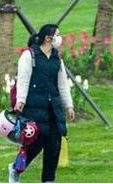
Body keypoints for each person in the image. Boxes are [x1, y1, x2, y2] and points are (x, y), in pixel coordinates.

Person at [10, 24, 75, 183]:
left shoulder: (56, 59)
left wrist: (69, 105)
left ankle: (48, 180)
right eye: (57, 35)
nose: (60, 38)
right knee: (34, 144)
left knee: (54, 145)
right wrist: (20, 101)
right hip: (34, 108)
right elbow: (23, 81)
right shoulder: (29, 55)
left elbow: (62, 85)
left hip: (53, 109)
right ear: (48, 37)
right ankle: (16, 168)